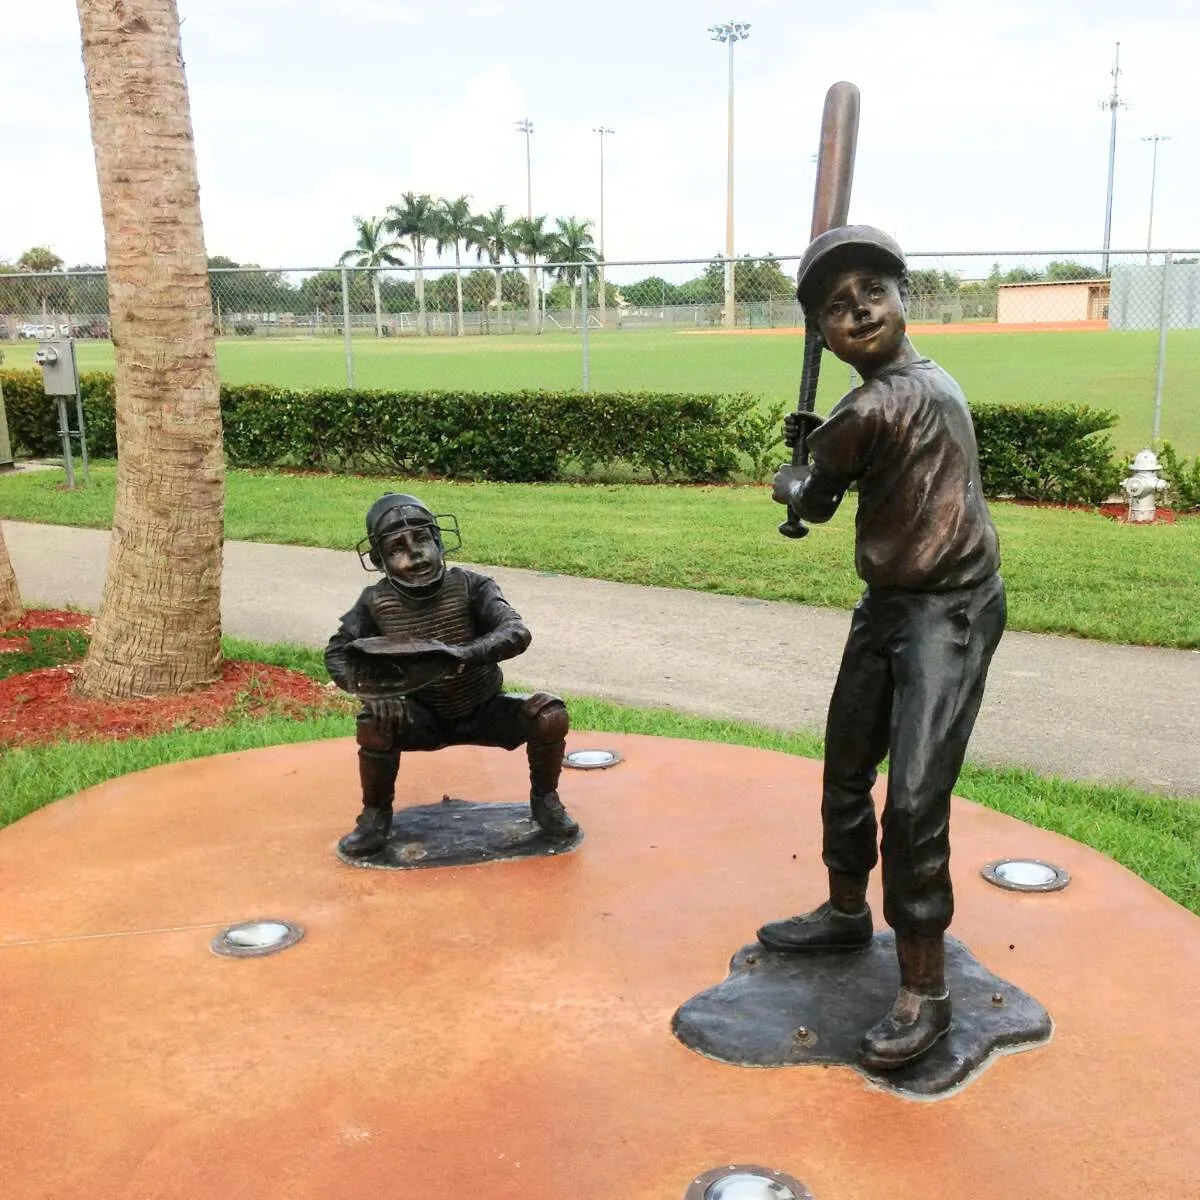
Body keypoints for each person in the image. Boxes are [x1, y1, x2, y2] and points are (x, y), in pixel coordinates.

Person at [760, 225, 1006, 1070]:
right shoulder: (870, 403)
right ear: (822, 335)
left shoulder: (888, 400)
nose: (858, 309)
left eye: (873, 291)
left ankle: (925, 990)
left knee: (911, 806)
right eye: (835, 305)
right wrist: (821, 444)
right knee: (844, 767)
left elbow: (811, 497)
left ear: (906, 301)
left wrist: (798, 470)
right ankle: (842, 913)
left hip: (952, 610)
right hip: (888, 603)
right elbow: (842, 459)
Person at [325, 493, 578, 859]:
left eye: (423, 540)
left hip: (484, 708)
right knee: (373, 721)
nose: (415, 555)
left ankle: (545, 801)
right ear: (380, 560)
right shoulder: (373, 603)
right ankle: (375, 815)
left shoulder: (472, 586)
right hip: (422, 715)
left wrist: (463, 655)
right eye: (397, 548)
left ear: (439, 540)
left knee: (550, 714)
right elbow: (337, 652)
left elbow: (516, 630)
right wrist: (374, 693)